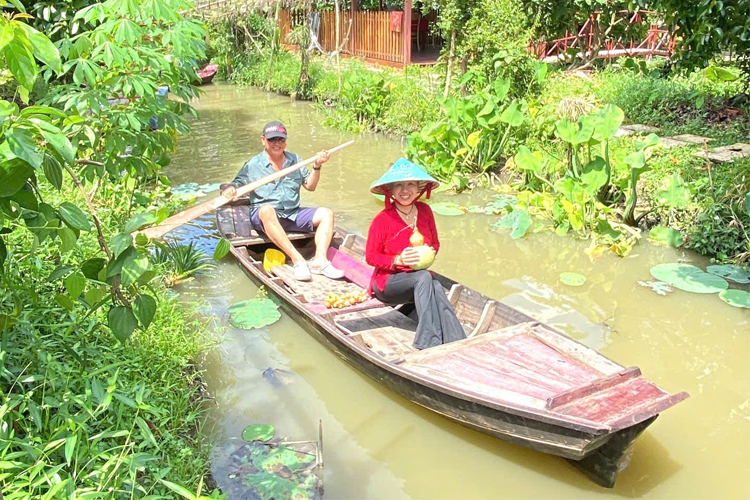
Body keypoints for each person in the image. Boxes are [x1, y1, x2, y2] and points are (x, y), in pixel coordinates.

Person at [221, 121, 345, 282]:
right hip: (264, 217)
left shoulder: (296, 160)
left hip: (292, 213)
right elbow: (235, 184)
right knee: (267, 210)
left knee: (326, 214)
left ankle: (319, 261)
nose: (277, 144)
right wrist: (229, 189)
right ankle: (298, 260)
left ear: (285, 141)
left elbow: (310, 186)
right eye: (272, 140)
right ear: (263, 140)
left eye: (281, 140)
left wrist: (317, 166)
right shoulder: (253, 165)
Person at [365, 159, 466, 350]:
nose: (405, 190)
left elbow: (435, 242)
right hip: (388, 283)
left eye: (410, 184)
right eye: (399, 186)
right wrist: (397, 260)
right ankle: (428, 340)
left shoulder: (425, 211)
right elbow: (371, 256)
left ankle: (456, 337)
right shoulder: (382, 220)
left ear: (418, 188)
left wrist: (429, 253)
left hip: (419, 281)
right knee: (425, 278)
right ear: (391, 190)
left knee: (435, 284)